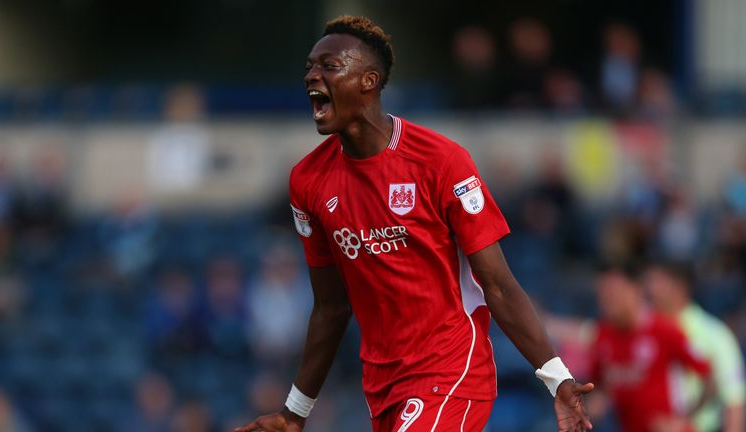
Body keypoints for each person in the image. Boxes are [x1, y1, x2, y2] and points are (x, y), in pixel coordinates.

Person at [236, 16, 592, 432]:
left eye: (328, 66)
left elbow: (497, 283)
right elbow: (331, 307)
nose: (312, 76)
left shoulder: (440, 161)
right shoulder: (308, 181)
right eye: (310, 67)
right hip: (383, 385)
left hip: (452, 371)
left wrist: (556, 377)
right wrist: (294, 412)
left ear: (368, 81)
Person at [590, 264, 714, 432]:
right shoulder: (602, 335)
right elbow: (600, 387)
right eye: (602, 297)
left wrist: (683, 420)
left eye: (613, 295)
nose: (607, 303)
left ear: (635, 290)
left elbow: (709, 377)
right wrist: (595, 405)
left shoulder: (664, 330)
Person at [645, 261, 745, 432]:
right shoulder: (640, 332)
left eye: (656, 282)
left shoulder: (714, 334)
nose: (649, 290)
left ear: (679, 287)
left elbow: (734, 399)